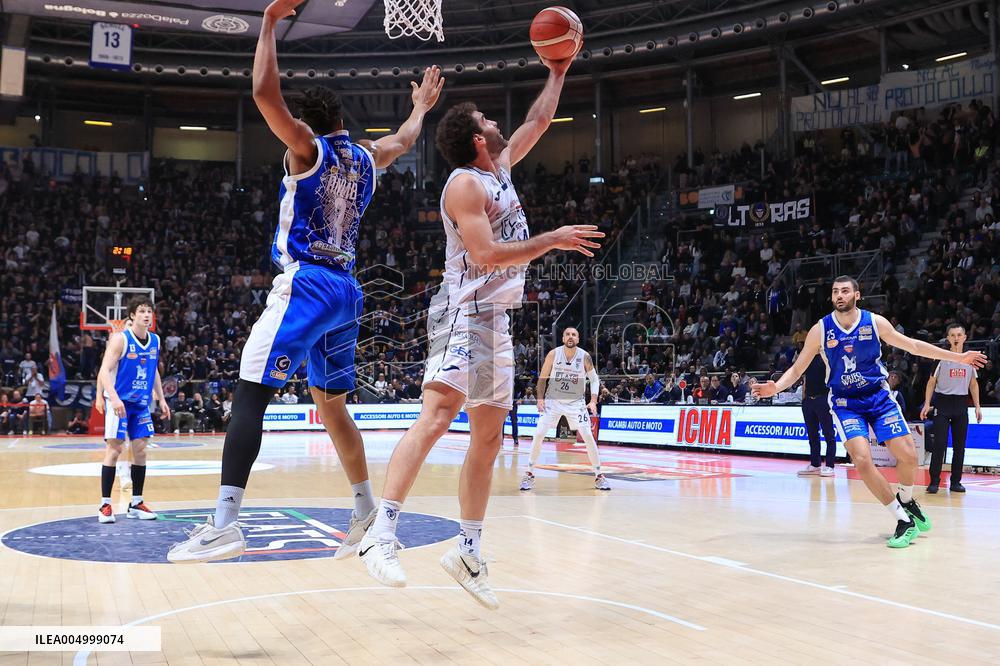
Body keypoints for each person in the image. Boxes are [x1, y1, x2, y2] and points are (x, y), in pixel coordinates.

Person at [167, 0, 444, 564]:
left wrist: (268, 23)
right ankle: (365, 509)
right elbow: (405, 141)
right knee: (332, 405)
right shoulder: (365, 158)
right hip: (348, 292)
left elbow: (264, 96)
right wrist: (418, 108)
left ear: (309, 127)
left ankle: (224, 524)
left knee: (250, 392)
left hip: (308, 285)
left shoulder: (307, 150)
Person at [356, 49, 601, 609]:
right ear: (476, 140)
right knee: (438, 416)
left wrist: (558, 71)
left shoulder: (502, 168)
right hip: (462, 311)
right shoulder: (465, 186)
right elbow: (487, 256)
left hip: (496, 321)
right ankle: (381, 532)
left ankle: (467, 550)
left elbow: (538, 120)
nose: (497, 122)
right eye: (489, 120)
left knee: (488, 439)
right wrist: (551, 240)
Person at [752, 276, 986, 548]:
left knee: (909, 456)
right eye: (835, 292)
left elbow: (912, 345)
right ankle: (902, 519)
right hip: (844, 403)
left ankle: (907, 501)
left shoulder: (875, 322)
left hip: (878, 397)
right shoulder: (821, 329)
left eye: (845, 291)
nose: (840, 295)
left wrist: (958, 357)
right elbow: (798, 368)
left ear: (857, 295)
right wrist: (776, 387)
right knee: (862, 460)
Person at [93, 298, 171, 523]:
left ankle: (136, 502)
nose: (147, 315)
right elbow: (104, 371)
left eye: (149, 311)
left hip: (141, 403)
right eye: (142, 311)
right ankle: (105, 504)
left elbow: (154, 370)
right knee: (115, 450)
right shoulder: (120, 339)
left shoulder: (155, 340)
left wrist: (162, 398)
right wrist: (113, 399)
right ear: (132, 316)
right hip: (120, 402)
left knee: (141, 451)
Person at [520, 327, 607, 492]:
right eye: (567, 334)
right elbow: (542, 379)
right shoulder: (553, 354)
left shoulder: (584, 357)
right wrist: (540, 399)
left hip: (576, 403)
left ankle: (599, 475)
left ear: (578, 339)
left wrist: (593, 401)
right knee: (539, 434)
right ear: (562, 338)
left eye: (574, 334)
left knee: (588, 436)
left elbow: (594, 380)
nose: (570, 336)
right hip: (553, 401)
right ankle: (529, 473)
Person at [921, 323, 982, 493]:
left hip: (961, 404)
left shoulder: (970, 360)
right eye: (952, 335)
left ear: (964, 337)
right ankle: (934, 482)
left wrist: (977, 406)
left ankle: (956, 482)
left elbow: (973, 384)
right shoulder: (940, 358)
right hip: (943, 403)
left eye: (959, 335)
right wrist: (927, 403)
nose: (956, 338)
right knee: (939, 443)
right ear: (948, 338)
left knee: (959, 446)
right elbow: (931, 382)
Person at [798, 356, 837, 477]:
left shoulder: (828, 357)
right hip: (808, 400)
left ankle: (830, 465)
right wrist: (803, 398)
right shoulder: (807, 357)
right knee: (812, 434)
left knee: (828, 433)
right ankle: (815, 464)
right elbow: (805, 378)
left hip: (823, 398)